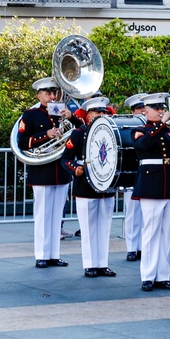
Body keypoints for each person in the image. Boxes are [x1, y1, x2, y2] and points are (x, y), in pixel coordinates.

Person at [17, 76, 74, 269]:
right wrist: (45, 135)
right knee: (43, 215)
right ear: (39, 95)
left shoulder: (63, 114)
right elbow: (22, 142)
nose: (51, 97)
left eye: (54, 93)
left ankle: (53, 255)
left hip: (61, 170)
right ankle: (41, 255)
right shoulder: (30, 115)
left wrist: (71, 118)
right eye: (47, 93)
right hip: (42, 170)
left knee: (57, 216)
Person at [132, 93, 170, 292]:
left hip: (169, 183)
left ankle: (162, 275)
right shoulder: (139, 130)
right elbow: (143, 144)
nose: (161, 111)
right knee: (151, 232)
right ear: (146, 110)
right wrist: (161, 124)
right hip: (151, 184)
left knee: (165, 233)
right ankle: (147, 275)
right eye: (156, 108)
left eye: (162, 108)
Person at [61, 96, 116, 278]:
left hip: (106, 187)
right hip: (85, 185)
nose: (101, 115)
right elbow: (65, 158)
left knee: (105, 226)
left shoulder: (111, 133)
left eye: (103, 112)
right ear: (88, 114)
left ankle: (102, 263)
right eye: (97, 112)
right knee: (88, 227)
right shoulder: (79, 133)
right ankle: (90, 264)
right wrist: (74, 168)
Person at [122, 93, 148, 262]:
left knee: (148, 214)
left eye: (145, 108)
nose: (143, 112)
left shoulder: (154, 126)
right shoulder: (128, 126)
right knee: (132, 212)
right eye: (139, 109)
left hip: (149, 175)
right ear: (132, 112)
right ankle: (132, 247)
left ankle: (143, 246)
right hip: (132, 173)